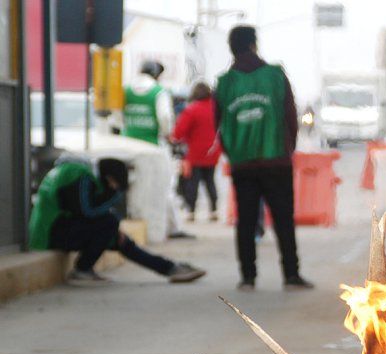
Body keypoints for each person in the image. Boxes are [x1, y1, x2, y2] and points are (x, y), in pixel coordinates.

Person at [215, 25, 313, 291]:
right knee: (283, 219)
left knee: (245, 220)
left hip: (242, 163)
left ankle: (248, 277)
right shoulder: (274, 75)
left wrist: (234, 151)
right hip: (275, 160)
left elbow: (219, 123)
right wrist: (286, 150)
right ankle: (291, 275)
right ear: (254, 45)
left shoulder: (225, 83)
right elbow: (290, 116)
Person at [28, 157, 206, 286]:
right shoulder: (81, 177)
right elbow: (86, 211)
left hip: (58, 229)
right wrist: (113, 197)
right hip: (48, 235)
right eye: (115, 185)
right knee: (110, 224)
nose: (115, 190)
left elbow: (82, 213)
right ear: (109, 179)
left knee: (117, 237)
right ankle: (82, 269)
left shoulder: (77, 172)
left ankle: (169, 268)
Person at [123, 60, 193, 239]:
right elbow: (165, 118)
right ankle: (169, 228)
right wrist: (167, 133)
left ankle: (140, 222)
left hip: (128, 145)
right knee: (163, 187)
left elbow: (117, 117)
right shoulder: (158, 92)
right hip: (153, 146)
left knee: (132, 188)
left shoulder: (126, 90)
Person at [172, 82, 222, 222]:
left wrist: (174, 138)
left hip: (194, 153)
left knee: (192, 183)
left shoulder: (191, 110)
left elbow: (179, 131)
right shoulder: (217, 109)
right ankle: (213, 210)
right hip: (213, 152)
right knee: (210, 182)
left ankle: (191, 211)